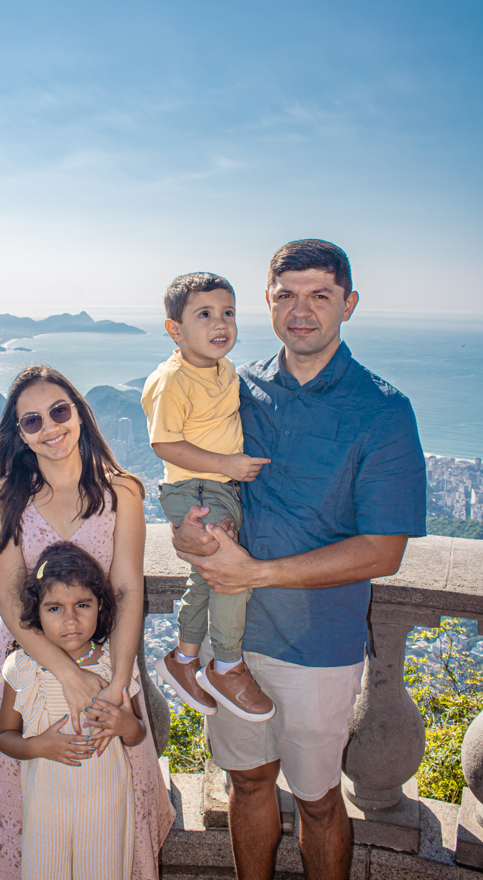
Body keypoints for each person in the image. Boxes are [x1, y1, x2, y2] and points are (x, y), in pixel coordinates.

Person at [172, 240, 426, 880]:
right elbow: (196, 471)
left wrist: (256, 573)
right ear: (268, 301)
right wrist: (190, 529)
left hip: (320, 645)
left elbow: (384, 551)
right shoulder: (237, 386)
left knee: (317, 800)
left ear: (349, 304)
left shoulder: (383, 410)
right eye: (286, 295)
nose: (301, 310)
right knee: (248, 783)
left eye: (320, 295)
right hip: (233, 639)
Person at [0, 365, 174, 880]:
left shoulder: (123, 492)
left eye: (58, 411)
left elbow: (127, 589)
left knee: (110, 792)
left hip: (105, 660)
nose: (50, 427)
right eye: (32, 421)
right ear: (20, 434)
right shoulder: (6, 500)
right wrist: (70, 676)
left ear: (78, 413)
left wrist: (117, 684)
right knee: (27, 796)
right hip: (27, 659)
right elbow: (9, 599)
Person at [142, 272, 274, 721]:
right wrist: (227, 464)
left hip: (216, 487)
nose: (221, 323)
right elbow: (163, 444)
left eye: (228, 313)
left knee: (206, 577)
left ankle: (183, 659)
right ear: (174, 330)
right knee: (231, 572)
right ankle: (227, 665)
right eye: (204, 314)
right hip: (197, 487)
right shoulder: (172, 379)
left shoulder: (225, 369)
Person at [0, 541, 146, 880]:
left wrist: (125, 725)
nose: (71, 619)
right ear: (36, 612)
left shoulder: (115, 665)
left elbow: (136, 734)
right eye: (54, 608)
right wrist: (39, 746)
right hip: (46, 805)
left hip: (106, 804)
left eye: (82, 605)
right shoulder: (24, 667)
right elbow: (4, 736)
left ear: (100, 606)